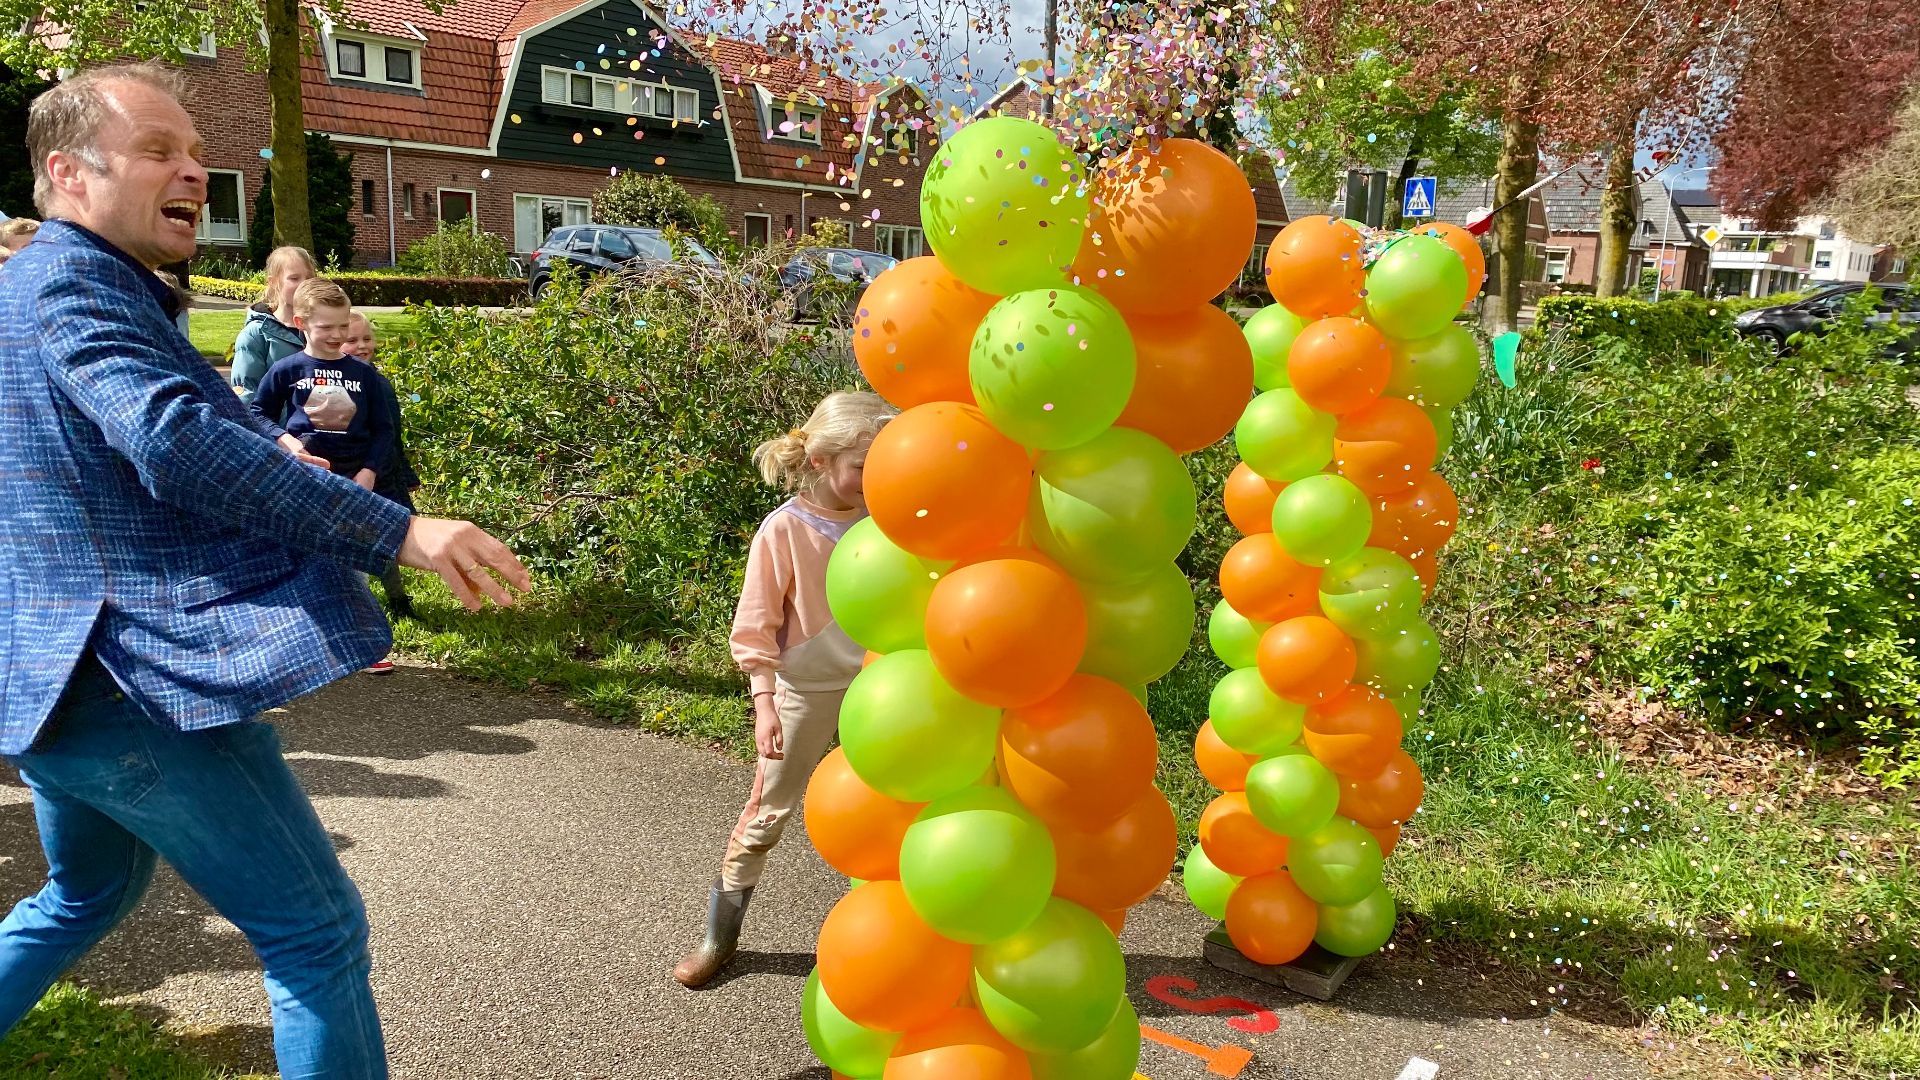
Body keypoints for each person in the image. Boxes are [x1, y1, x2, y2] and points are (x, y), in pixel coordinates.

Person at [0, 62, 530, 1079]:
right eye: (160, 149)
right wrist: (394, 530)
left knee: (82, 896)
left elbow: (160, 420)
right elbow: (172, 437)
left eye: (198, 150)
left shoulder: (45, 282)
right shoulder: (72, 278)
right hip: (126, 683)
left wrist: (260, 438)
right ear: (68, 172)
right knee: (314, 933)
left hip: (52, 682)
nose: (196, 169)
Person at [672, 391, 894, 989]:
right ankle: (720, 937)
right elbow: (755, 627)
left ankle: (898, 936)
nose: (873, 483)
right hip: (807, 689)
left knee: (895, 808)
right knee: (769, 810)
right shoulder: (784, 530)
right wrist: (764, 703)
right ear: (820, 460)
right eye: (862, 469)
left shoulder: (890, 518)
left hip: (886, 687)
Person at [344, 311, 420, 627]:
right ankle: (355, 608)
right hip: (356, 476)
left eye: (367, 338)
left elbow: (392, 433)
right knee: (354, 543)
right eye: (352, 340)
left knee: (387, 538)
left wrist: (405, 473)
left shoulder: (378, 381)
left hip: (385, 476)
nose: (362, 346)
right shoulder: (341, 385)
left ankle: (398, 600)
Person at [229, 244, 315, 403]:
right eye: (294, 278)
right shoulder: (256, 334)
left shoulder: (322, 328)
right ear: (274, 282)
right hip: (277, 426)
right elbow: (247, 394)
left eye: (309, 278)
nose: (303, 284)